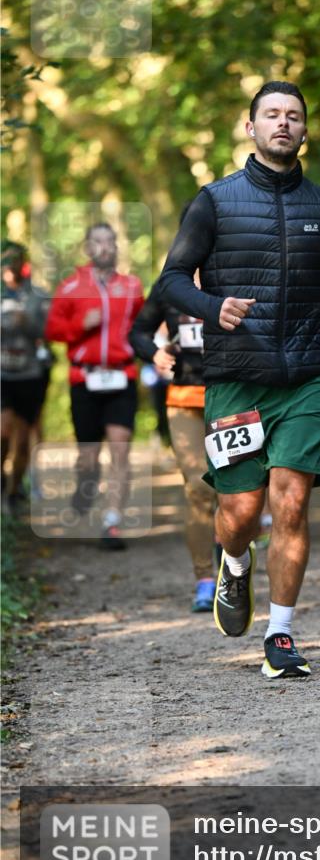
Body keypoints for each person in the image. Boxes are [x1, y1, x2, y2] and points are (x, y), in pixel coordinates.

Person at [158, 80, 320, 678]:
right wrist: (211, 306)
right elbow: (171, 280)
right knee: (240, 514)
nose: (283, 123)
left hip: (307, 379)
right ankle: (235, 560)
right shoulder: (214, 202)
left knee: (293, 503)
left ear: (305, 131)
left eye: (294, 116)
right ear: (250, 128)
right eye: (271, 115)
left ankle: (279, 636)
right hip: (235, 382)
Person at [130, 213, 218, 612]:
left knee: (240, 493)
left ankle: (233, 563)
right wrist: (156, 353)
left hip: (235, 395)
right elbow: (137, 331)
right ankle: (204, 577)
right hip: (185, 397)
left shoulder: (235, 273)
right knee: (199, 489)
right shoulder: (169, 284)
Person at [45, 223, 144, 549]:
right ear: (88, 248)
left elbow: (144, 327)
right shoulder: (71, 286)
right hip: (83, 379)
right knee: (88, 456)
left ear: (116, 246)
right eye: (97, 242)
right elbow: (53, 330)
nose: (104, 247)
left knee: (120, 447)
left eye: (109, 241)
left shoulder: (131, 287)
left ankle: (111, 522)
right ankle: (85, 481)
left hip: (121, 376)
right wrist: (79, 325)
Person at [1, 241, 51, 514]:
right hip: (2, 375)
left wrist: (28, 324)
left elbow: (51, 332)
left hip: (30, 374)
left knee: (22, 440)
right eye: (4, 260)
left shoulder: (38, 296)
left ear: (23, 262)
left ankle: (13, 490)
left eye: (14, 259)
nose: (9, 265)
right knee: (2, 430)